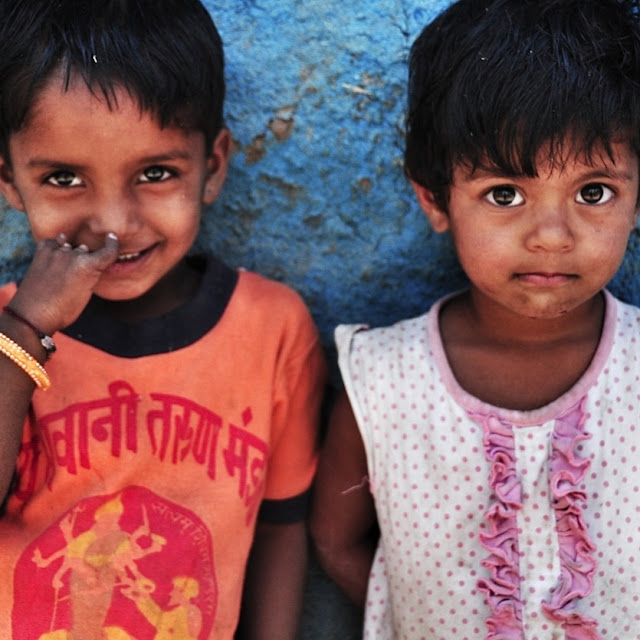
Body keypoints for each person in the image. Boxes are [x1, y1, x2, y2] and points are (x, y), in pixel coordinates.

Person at [310, 0, 640, 638]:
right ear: (434, 200)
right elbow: (336, 542)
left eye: (593, 192)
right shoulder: (383, 383)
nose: (551, 236)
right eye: (504, 194)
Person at [0, 2, 326, 639]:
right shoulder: (4, 335)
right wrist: (24, 328)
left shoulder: (271, 331)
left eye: (156, 173)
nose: (114, 224)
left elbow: (283, 525)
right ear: (10, 183)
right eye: (64, 178)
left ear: (213, 165)